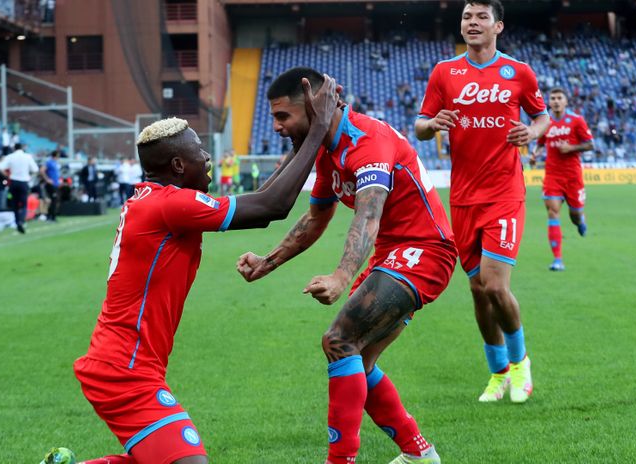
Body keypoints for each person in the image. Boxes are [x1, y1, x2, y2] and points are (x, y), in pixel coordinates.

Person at [47, 75, 338, 464]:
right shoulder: (169, 206)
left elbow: (262, 198)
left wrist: (303, 140)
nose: (208, 160)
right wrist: (318, 128)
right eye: (201, 153)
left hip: (124, 362)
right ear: (179, 165)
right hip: (125, 369)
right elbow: (272, 207)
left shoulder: (154, 201)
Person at [237, 67, 457, 464]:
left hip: (424, 250)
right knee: (359, 359)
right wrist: (267, 262)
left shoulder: (367, 140)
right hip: (392, 254)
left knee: (339, 341)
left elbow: (367, 216)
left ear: (314, 105)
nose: (276, 126)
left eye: (283, 116)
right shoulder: (328, 150)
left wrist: (342, 276)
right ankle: (419, 455)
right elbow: (317, 216)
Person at [414, 0, 550, 404]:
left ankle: (521, 361)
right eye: (466, 17)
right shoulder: (445, 72)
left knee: (494, 284)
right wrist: (433, 124)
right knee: (477, 291)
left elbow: (541, 116)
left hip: (505, 193)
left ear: (498, 26)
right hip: (463, 198)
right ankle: (497, 373)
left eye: (481, 18)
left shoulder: (519, 72)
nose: (472, 23)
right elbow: (420, 125)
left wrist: (533, 132)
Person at [530, 87, 594, 271]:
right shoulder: (545, 122)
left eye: (559, 98)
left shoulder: (576, 121)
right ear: (549, 102)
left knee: (574, 215)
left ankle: (580, 220)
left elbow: (590, 144)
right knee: (552, 211)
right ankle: (557, 259)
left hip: (573, 176)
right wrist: (535, 154)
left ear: (566, 101)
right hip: (552, 176)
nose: (556, 101)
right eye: (553, 98)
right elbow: (540, 143)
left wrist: (571, 148)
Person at [0, 143, 38, 234]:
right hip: (24, 182)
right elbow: (35, 169)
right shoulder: (28, 157)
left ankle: (17, 222)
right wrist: (30, 177)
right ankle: (21, 221)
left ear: (14, 148)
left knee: (15, 204)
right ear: (22, 148)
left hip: (13, 181)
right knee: (23, 204)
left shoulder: (10, 157)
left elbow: (0, 167)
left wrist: (8, 176)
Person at [41, 151, 61, 222]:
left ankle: (51, 216)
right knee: (54, 199)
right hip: (51, 184)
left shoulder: (55, 163)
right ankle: (51, 217)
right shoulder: (49, 162)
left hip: (56, 184)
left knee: (55, 200)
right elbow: (42, 170)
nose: (58, 157)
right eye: (58, 156)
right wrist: (47, 179)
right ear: (55, 156)